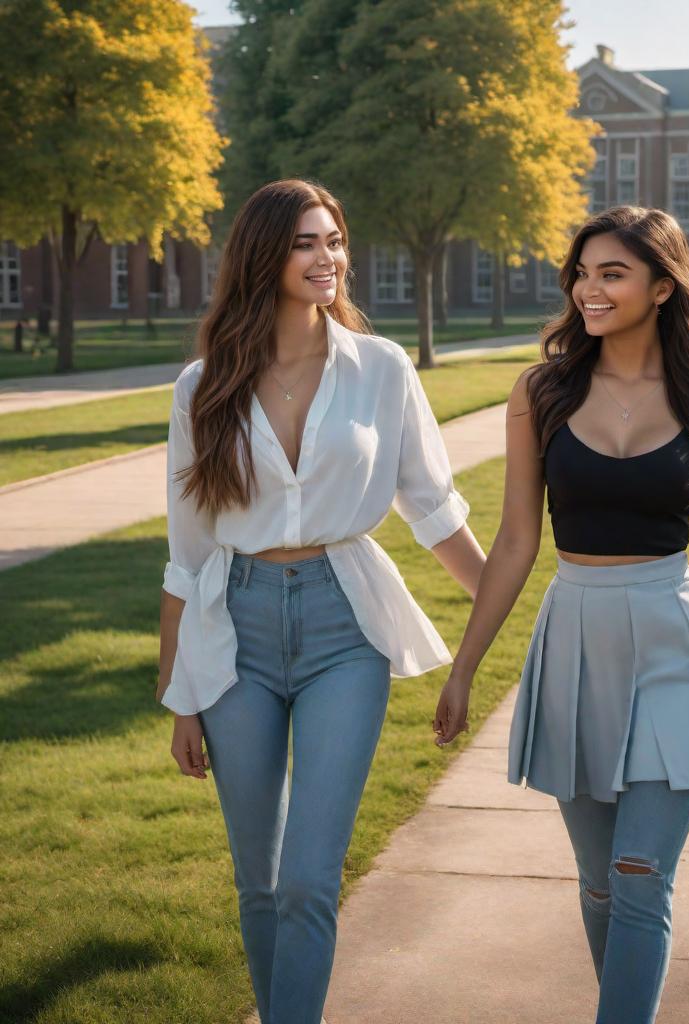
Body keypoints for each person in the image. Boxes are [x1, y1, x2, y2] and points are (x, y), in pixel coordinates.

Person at [433, 205, 689, 1024]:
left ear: (663, 287)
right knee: (600, 882)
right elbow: (517, 539)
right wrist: (465, 665)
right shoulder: (542, 392)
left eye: (612, 273)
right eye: (582, 273)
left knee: (639, 874)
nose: (589, 290)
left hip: (675, 637)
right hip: (576, 641)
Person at [156, 178, 486, 1024]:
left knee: (308, 876)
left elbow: (432, 505)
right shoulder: (204, 386)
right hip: (237, 628)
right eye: (307, 243)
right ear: (265, 256)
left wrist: (500, 604)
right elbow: (188, 552)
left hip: (346, 624)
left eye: (335, 241)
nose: (328, 258)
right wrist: (179, 695)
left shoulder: (379, 368)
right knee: (257, 880)